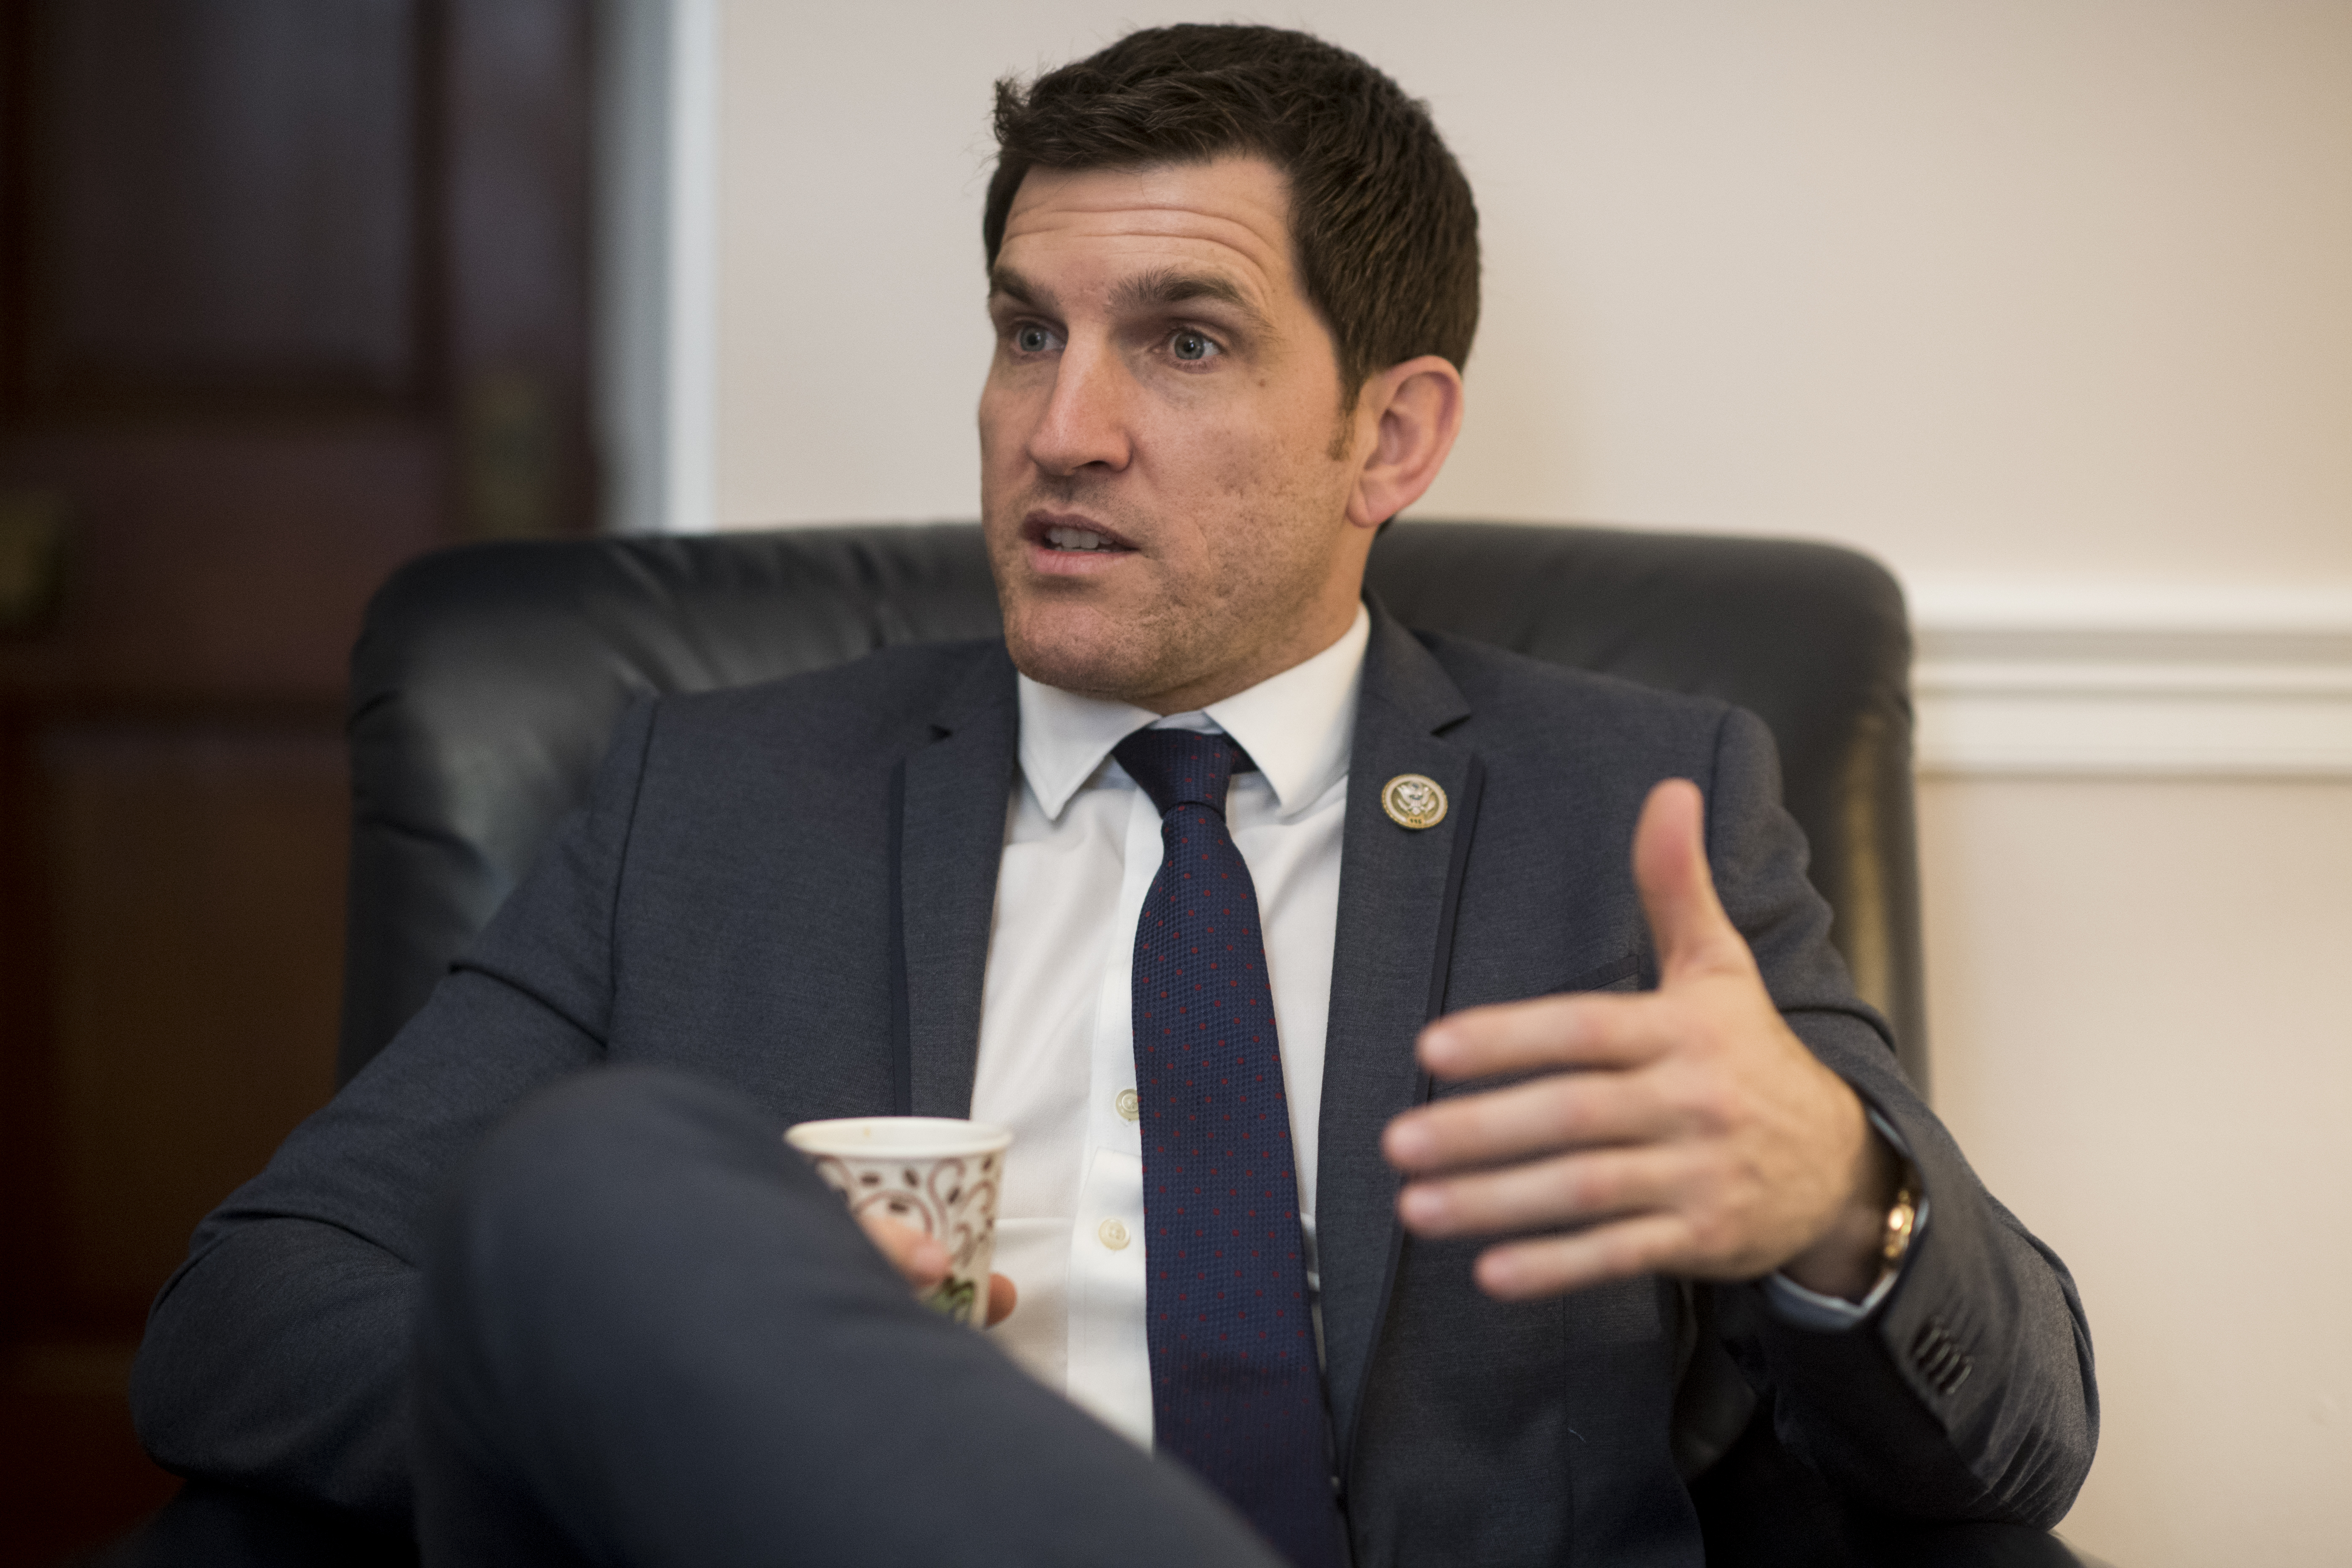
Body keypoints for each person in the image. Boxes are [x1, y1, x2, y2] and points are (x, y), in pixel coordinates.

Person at [131, 24, 2095, 1567]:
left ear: (1390, 436)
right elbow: (248, 1319)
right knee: (594, 1194)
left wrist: (1839, 1199)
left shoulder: (1631, 813)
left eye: (1185, 340)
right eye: (1025, 333)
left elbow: (2020, 1437)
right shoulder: (710, 802)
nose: (1060, 429)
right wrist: (693, 1375)